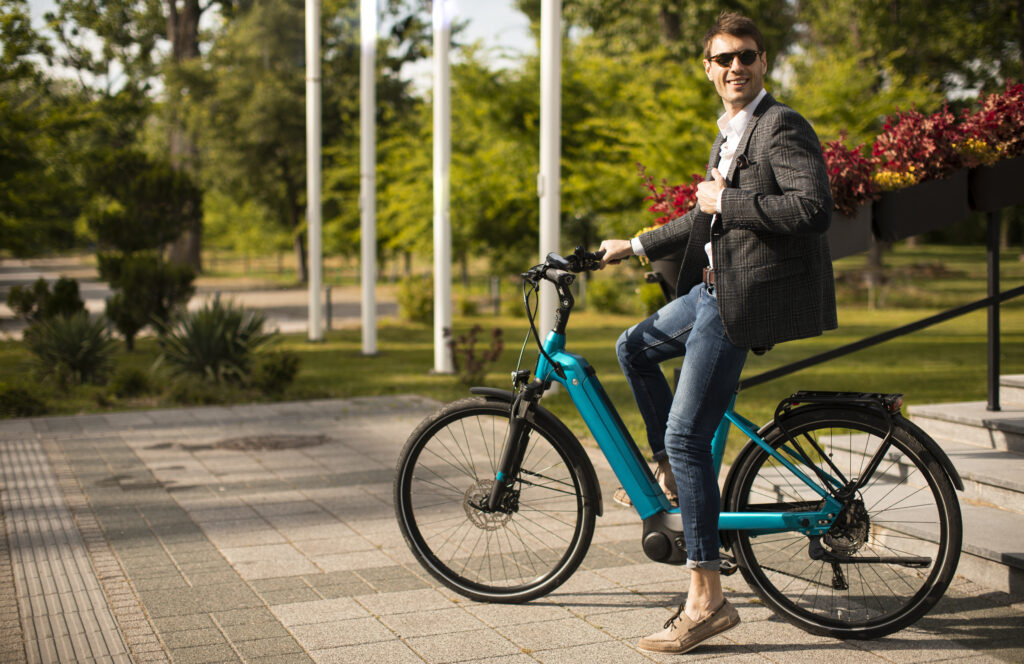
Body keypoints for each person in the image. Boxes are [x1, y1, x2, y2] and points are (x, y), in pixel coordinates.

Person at [597, 10, 837, 656]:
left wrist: (726, 201)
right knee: (633, 348)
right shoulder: (732, 132)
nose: (736, 67)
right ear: (707, 68)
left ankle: (707, 601)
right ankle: (674, 477)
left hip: (742, 299)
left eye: (746, 56)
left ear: (764, 63)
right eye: (724, 58)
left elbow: (813, 209)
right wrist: (634, 245)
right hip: (710, 289)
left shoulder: (780, 124)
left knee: (688, 434)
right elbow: (703, 217)